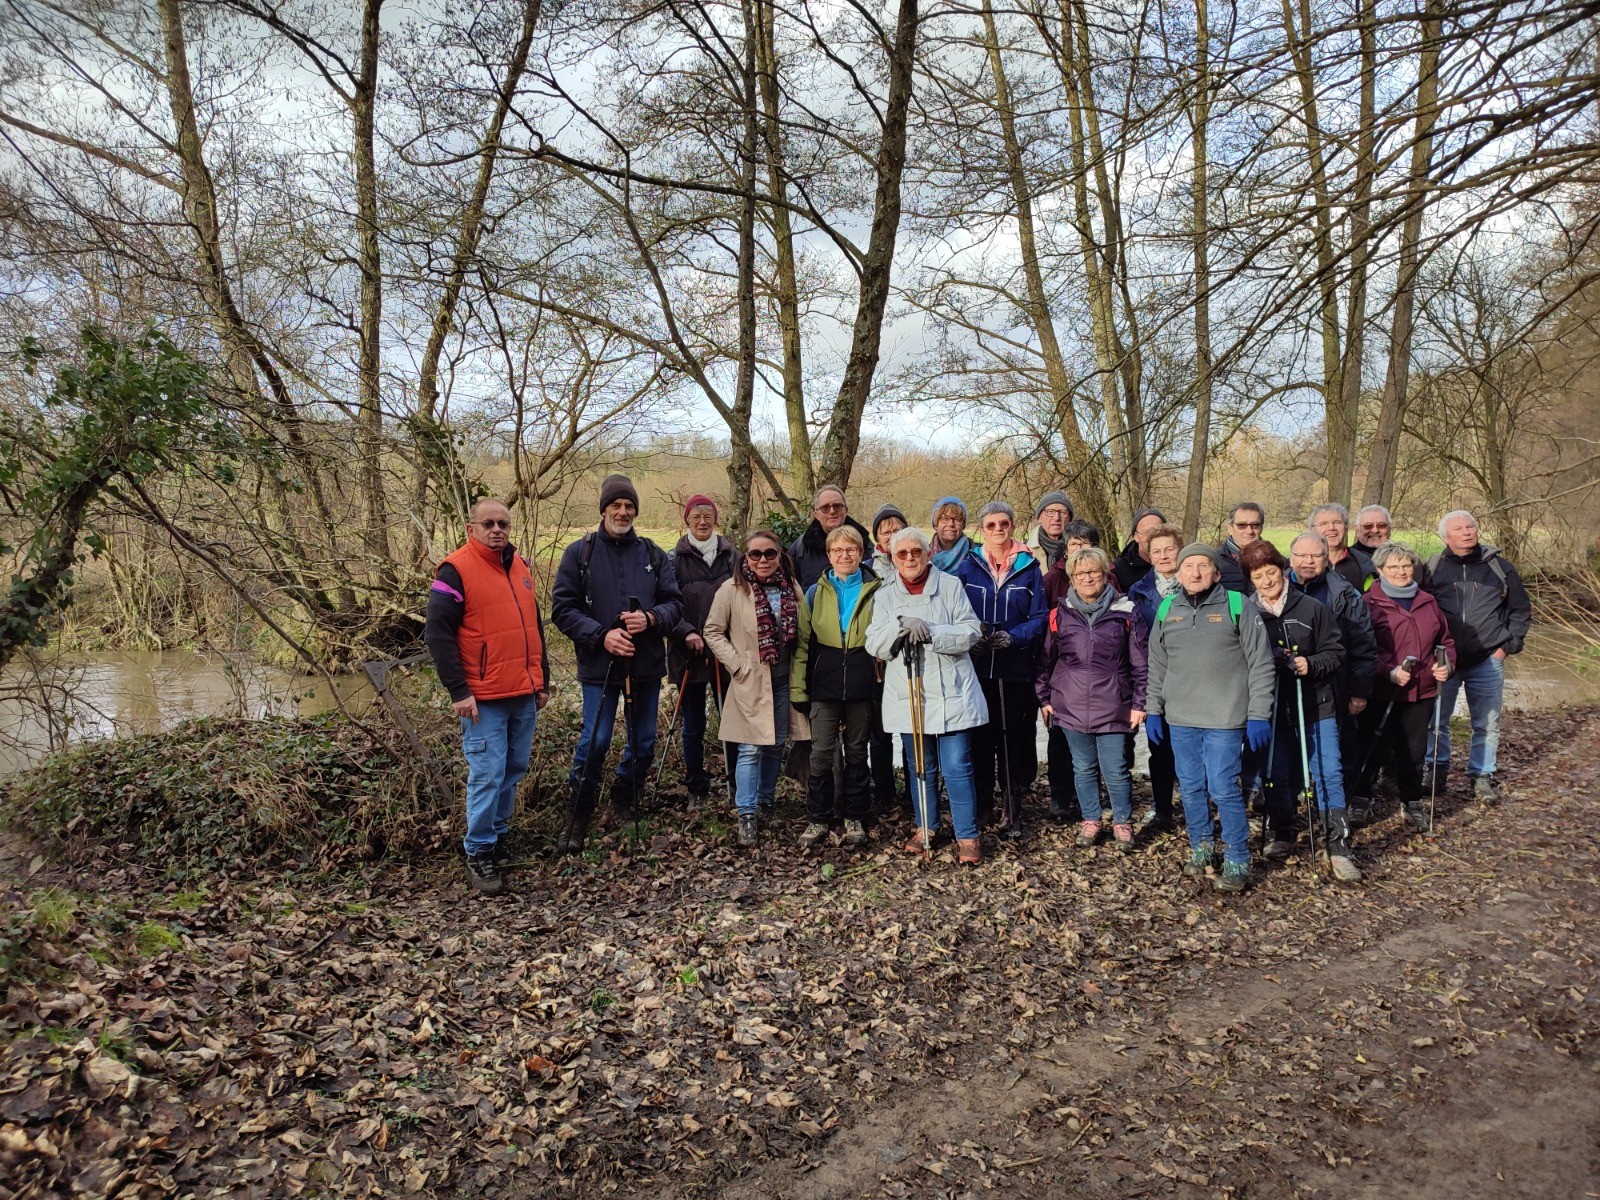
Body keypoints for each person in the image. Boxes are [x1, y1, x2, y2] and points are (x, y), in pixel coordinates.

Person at [550, 474, 683, 853]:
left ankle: (624, 797)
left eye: (628, 506)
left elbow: (675, 604)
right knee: (596, 740)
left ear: (635, 511)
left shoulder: (654, 555)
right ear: (604, 510)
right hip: (599, 666)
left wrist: (651, 619)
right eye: (616, 506)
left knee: (644, 742)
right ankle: (579, 811)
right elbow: (562, 609)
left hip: (645, 665)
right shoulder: (579, 553)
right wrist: (600, 635)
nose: (623, 512)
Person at [424, 499, 551, 895]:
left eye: (503, 524)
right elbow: (437, 633)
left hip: (522, 692)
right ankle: (478, 850)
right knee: (487, 774)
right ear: (471, 529)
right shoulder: (455, 570)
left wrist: (541, 681)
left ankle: (497, 837)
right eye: (489, 523)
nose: (497, 530)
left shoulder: (520, 566)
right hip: (483, 699)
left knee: (513, 769)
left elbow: (533, 627)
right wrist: (459, 691)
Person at [1144, 544, 1275, 893]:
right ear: (1179, 573)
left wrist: (1259, 714)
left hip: (1225, 717)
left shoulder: (1237, 605)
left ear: (1216, 573)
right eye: (1188, 566)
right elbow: (1157, 664)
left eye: (1203, 566)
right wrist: (1154, 709)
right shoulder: (1168, 608)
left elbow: (1261, 663)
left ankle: (1237, 857)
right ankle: (1202, 846)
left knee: (1222, 787)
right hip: (1180, 718)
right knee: (1190, 786)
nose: (1196, 573)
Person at [866, 527, 988, 865]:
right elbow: (874, 644)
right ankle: (926, 827)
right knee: (920, 765)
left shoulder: (950, 586)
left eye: (916, 551)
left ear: (927, 553)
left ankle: (967, 834)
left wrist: (932, 632)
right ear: (893, 558)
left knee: (957, 765)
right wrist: (900, 626)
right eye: (902, 553)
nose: (909, 558)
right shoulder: (885, 594)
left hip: (952, 692)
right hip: (910, 692)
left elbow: (971, 631)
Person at [1239, 541, 1360, 882]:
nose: (1267, 581)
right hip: (1272, 707)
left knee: (1328, 771)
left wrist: (1311, 664)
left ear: (1283, 570)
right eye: (1258, 576)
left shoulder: (1311, 608)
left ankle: (1338, 845)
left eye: (1271, 572)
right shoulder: (1247, 612)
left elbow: (1336, 652)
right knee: (1275, 771)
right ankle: (1283, 831)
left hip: (1316, 703)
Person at [703, 530, 811, 846]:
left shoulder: (791, 587)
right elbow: (712, 631)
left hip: (784, 680)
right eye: (755, 554)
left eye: (769, 553)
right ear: (746, 557)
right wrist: (737, 664)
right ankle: (747, 812)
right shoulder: (732, 590)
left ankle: (766, 800)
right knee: (750, 748)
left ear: (780, 555)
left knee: (775, 744)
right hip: (751, 681)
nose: (763, 560)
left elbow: (803, 631)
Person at [1036, 547, 1148, 852]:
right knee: (1083, 767)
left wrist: (1140, 703)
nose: (1087, 578)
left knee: (1116, 770)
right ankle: (1091, 819)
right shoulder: (1059, 615)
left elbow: (1140, 662)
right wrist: (1044, 698)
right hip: (1069, 704)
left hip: (1114, 704)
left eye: (1094, 572)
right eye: (1080, 573)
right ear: (1072, 578)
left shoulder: (1126, 611)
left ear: (1105, 575)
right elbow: (1045, 661)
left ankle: (1122, 822)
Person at [1423, 511, 1532, 803]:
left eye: (1470, 526)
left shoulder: (1499, 567)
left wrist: (1506, 647)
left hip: (1487, 658)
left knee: (1486, 724)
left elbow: (1521, 610)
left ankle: (1482, 777)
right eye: (1459, 529)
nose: (1467, 532)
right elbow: (1420, 610)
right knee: (1436, 721)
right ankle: (1436, 771)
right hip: (1444, 659)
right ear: (1446, 537)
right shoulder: (1432, 568)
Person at [954, 501, 1048, 835]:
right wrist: (970, 639)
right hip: (978, 669)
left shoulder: (1029, 567)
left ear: (1012, 526)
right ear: (982, 529)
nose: (998, 530)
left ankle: (1012, 807)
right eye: (991, 525)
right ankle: (982, 808)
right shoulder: (968, 567)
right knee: (980, 741)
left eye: (1004, 524)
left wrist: (1014, 637)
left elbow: (1040, 617)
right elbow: (955, 611)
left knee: (1012, 742)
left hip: (1014, 669)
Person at [792, 525, 882, 849]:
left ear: (861, 552)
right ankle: (818, 818)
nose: (845, 555)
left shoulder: (876, 590)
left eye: (851, 549)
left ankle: (854, 816)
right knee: (820, 754)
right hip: (825, 683)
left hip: (861, 682)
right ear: (829, 555)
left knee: (857, 752)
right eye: (838, 550)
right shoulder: (815, 593)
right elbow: (802, 645)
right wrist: (799, 690)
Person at [1363, 542, 1456, 829]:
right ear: (1380, 571)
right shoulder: (1368, 603)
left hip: (1421, 689)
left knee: (1414, 751)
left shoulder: (1428, 601)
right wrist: (1388, 672)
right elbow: (1363, 649)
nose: (1401, 571)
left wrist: (1446, 665)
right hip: (1382, 690)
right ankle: (1359, 799)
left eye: (1406, 565)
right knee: (1371, 747)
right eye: (1393, 567)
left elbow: (1446, 642)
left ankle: (1412, 802)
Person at [1289, 532, 1379, 823]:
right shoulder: (1275, 589)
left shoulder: (1344, 594)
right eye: (1301, 555)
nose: (1308, 561)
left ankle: (1336, 816)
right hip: (1288, 688)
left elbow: (1364, 644)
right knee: (1290, 754)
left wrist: (1359, 691)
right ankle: (1289, 814)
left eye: (1315, 556)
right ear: (1290, 558)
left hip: (1334, 687)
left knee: (1336, 755)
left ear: (1326, 559)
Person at [669, 494, 739, 803]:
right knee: (693, 725)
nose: (702, 522)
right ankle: (696, 786)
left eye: (707, 516)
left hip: (727, 652)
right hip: (689, 654)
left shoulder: (732, 556)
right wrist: (684, 632)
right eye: (696, 516)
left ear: (715, 519)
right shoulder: (673, 559)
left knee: (732, 720)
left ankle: (737, 782)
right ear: (687, 520)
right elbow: (666, 603)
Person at [1127, 523, 1185, 833]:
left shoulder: (1195, 583)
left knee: (1192, 746)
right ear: (1149, 556)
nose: (1163, 556)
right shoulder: (1138, 591)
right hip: (1156, 679)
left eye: (1169, 549)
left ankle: (1197, 806)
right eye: (1157, 551)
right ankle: (1162, 809)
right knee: (1159, 747)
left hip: (1191, 678)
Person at [789, 485, 872, 589]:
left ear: (846, 510)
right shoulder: (800, 548)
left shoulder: (865, 543)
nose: (832, 511)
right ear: (816, 514)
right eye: (825, 508)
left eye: (837, 506)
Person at [1309, 503, 1375, 593]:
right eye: (1323, 523)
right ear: (1312, 530)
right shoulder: (1300, 563)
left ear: (1346, 527)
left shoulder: (1364, 563)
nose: (1331, 528)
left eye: (1337, 522)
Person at [1044, 520, 1102, 605]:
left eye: (1084, 543)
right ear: (1066, 550)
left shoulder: (1107, 574)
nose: (1079, 549)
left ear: (1094, 547)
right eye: (1073, 544)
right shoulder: (1052, 578)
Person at [1111, 508, 1168, 594]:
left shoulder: (1181, 562)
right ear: (1135, 536)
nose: (1151, 537)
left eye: (1157, 531)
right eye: (1146, 532)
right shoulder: (1118, 571)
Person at [1217, 502, 1265, 593]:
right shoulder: (1214, 564)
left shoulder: (1278, 563)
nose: (1249, 531)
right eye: (1242, 525)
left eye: (1255, 525)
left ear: (1261, 528)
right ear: (1230, 528)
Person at [1026, 491, 1074, 571]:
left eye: (1063, 512)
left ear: (1069, 519)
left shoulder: (1081, 549)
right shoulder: (1025, 552)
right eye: (1050, 512)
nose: (1056, 518)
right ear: (1039, 518)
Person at [929, 497, 973, 572]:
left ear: (963, 525)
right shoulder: (923, 556)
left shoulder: (976, 556)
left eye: (957, 519)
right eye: (945, 519)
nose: (951, 524)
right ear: (935, 524)